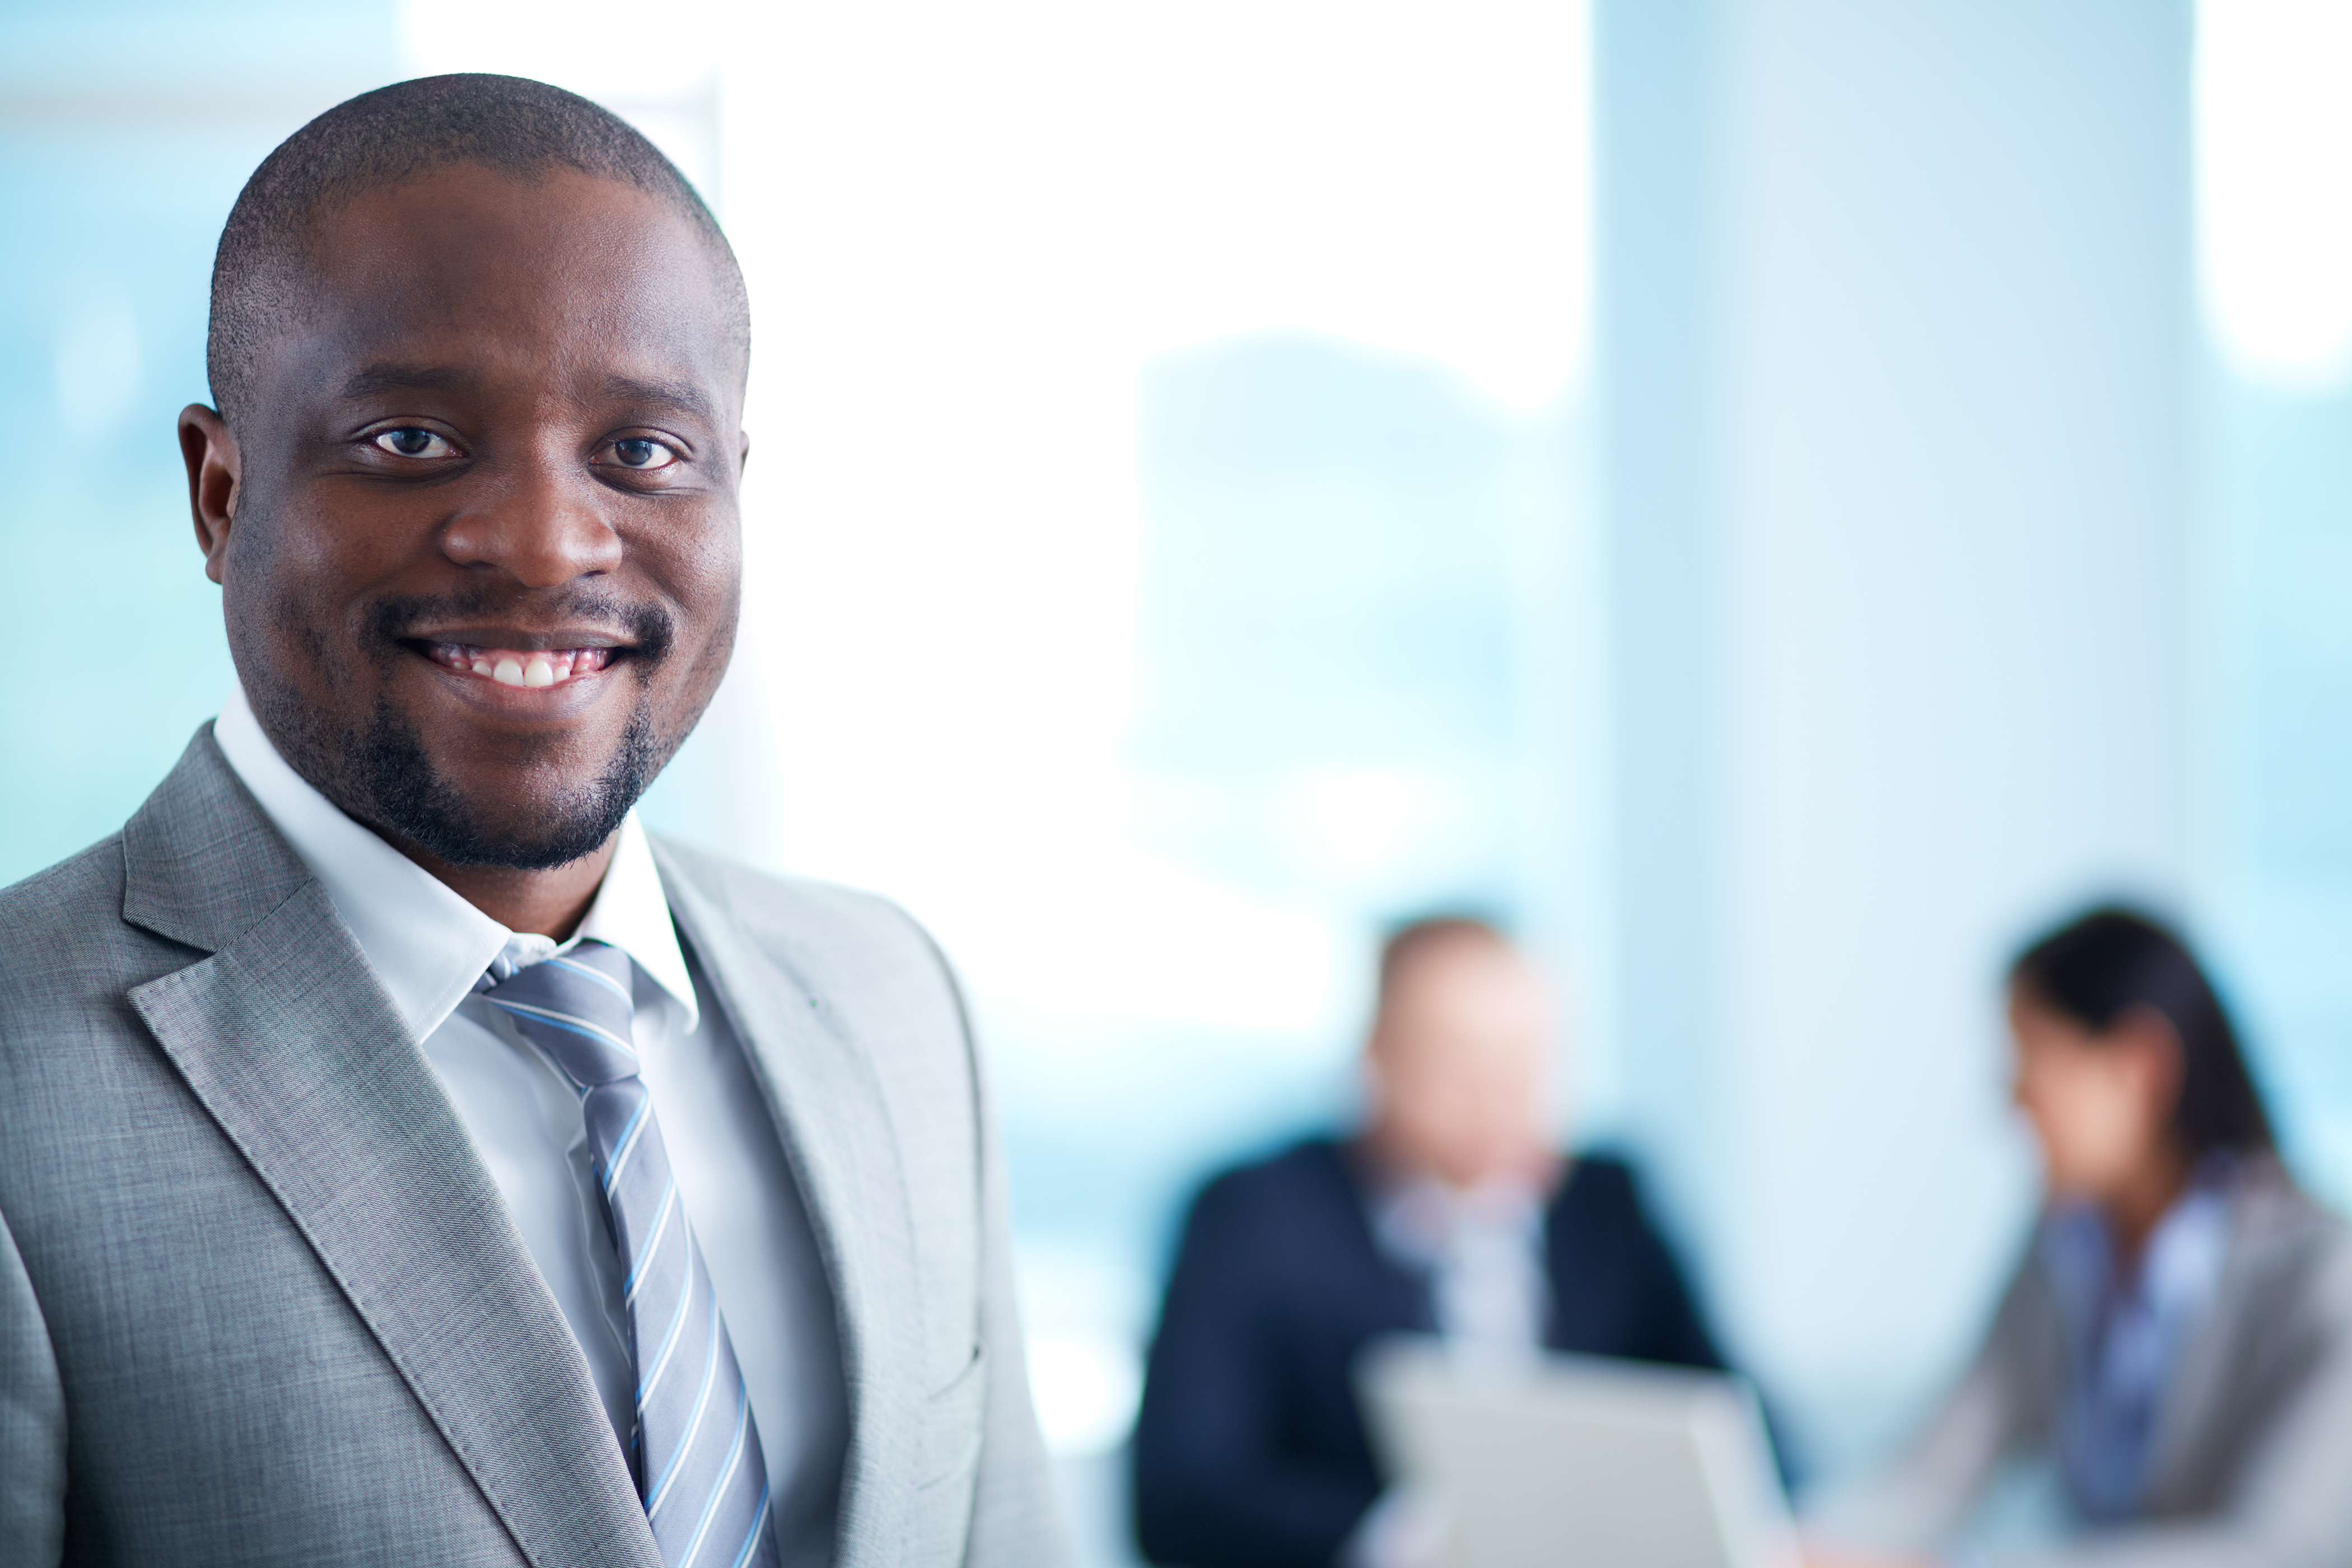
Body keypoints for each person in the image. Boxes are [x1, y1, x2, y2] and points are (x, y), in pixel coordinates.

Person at [0, 75, 1062, 1567]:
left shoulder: (891, 1003)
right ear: (221, 493)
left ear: (733, 489)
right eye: (413, 441)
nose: (551, 541)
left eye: (641, 454)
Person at [1132, 916, 1731, 1568]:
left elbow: (1739, 1424)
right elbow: (1180, 1494)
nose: (1501, 1099)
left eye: (1526, 1061)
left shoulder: (1610, 1205)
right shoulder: (1257, 1214)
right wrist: (1410, 1540)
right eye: (1460, 1063)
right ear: (1378, 1057)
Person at [1813, 907, 2352, 1568]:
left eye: (2033, 1058)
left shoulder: (2325, 1278)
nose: (2012, 1100)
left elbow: (2271, 1550)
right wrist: (1797, 1546)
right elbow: (1933, 1473)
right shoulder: (2062, 1249)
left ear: (2139, 1067)